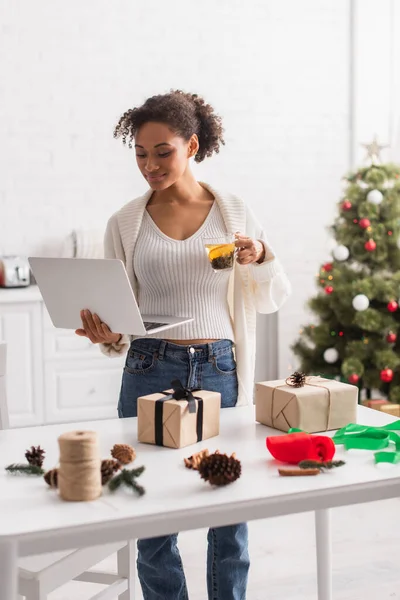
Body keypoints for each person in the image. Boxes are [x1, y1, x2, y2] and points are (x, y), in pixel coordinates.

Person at [75, 90, 291, 600]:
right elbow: (121, 310)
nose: (150, 165)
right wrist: (109, 335)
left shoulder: (233, 212)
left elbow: (270, 297)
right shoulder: (125, 223)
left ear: (191, 145)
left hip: (219, 366)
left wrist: (260, 254)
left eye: (162, 152)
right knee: (151, 512)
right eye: (141, 154)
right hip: (150, 364)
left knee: (229, 512)